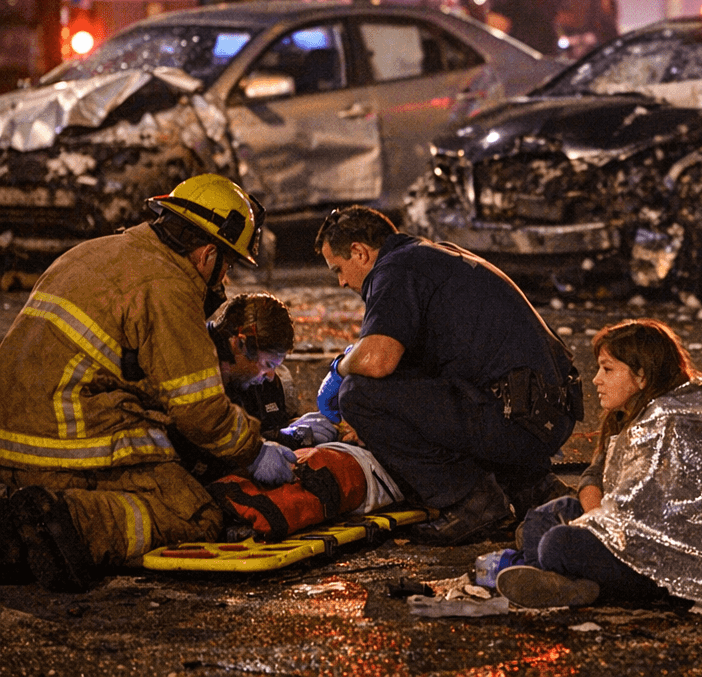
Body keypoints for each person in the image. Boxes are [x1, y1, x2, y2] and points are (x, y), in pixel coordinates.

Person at [0, 175, 296, 591]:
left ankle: (20, 502)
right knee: (192, 512)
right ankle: (67, 521)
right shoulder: (169, 288)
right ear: (208, 254)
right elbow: (201, 412)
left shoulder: (99, 250)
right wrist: (254, 451)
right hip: (65, 442)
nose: (224, 278)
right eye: (227, 263)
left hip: (11, 439)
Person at [494, 320, 702, 610]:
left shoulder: (673, 424)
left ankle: (570, 582)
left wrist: (597, 528)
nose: (595, 380)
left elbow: (654, 512)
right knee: (543, 517)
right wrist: (595, 518)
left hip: (685, 556)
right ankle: (568, 584)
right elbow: (596, 476)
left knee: (557, 544)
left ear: (642, 376)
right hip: (636, 531)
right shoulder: (632, 415)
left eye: (607, 369)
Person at [314, 207, 580, 546]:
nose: (341, 282)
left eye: (338, 269)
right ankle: (530, 485)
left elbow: (377, 361)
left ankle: (472, 503)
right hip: (545, 415)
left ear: (359, 252)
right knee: (407, 387)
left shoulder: (395, 269)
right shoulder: (432, 255)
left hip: (517, 420)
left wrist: (339, 366)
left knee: (357, 392)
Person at [172, 293, 338, 483]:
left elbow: (264, 430)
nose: (270, 376)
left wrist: (289, 433)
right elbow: (201, 438)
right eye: (268, 364)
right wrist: (253, 457)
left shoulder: (255, 381)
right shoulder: (191, 370)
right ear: (239, 344)